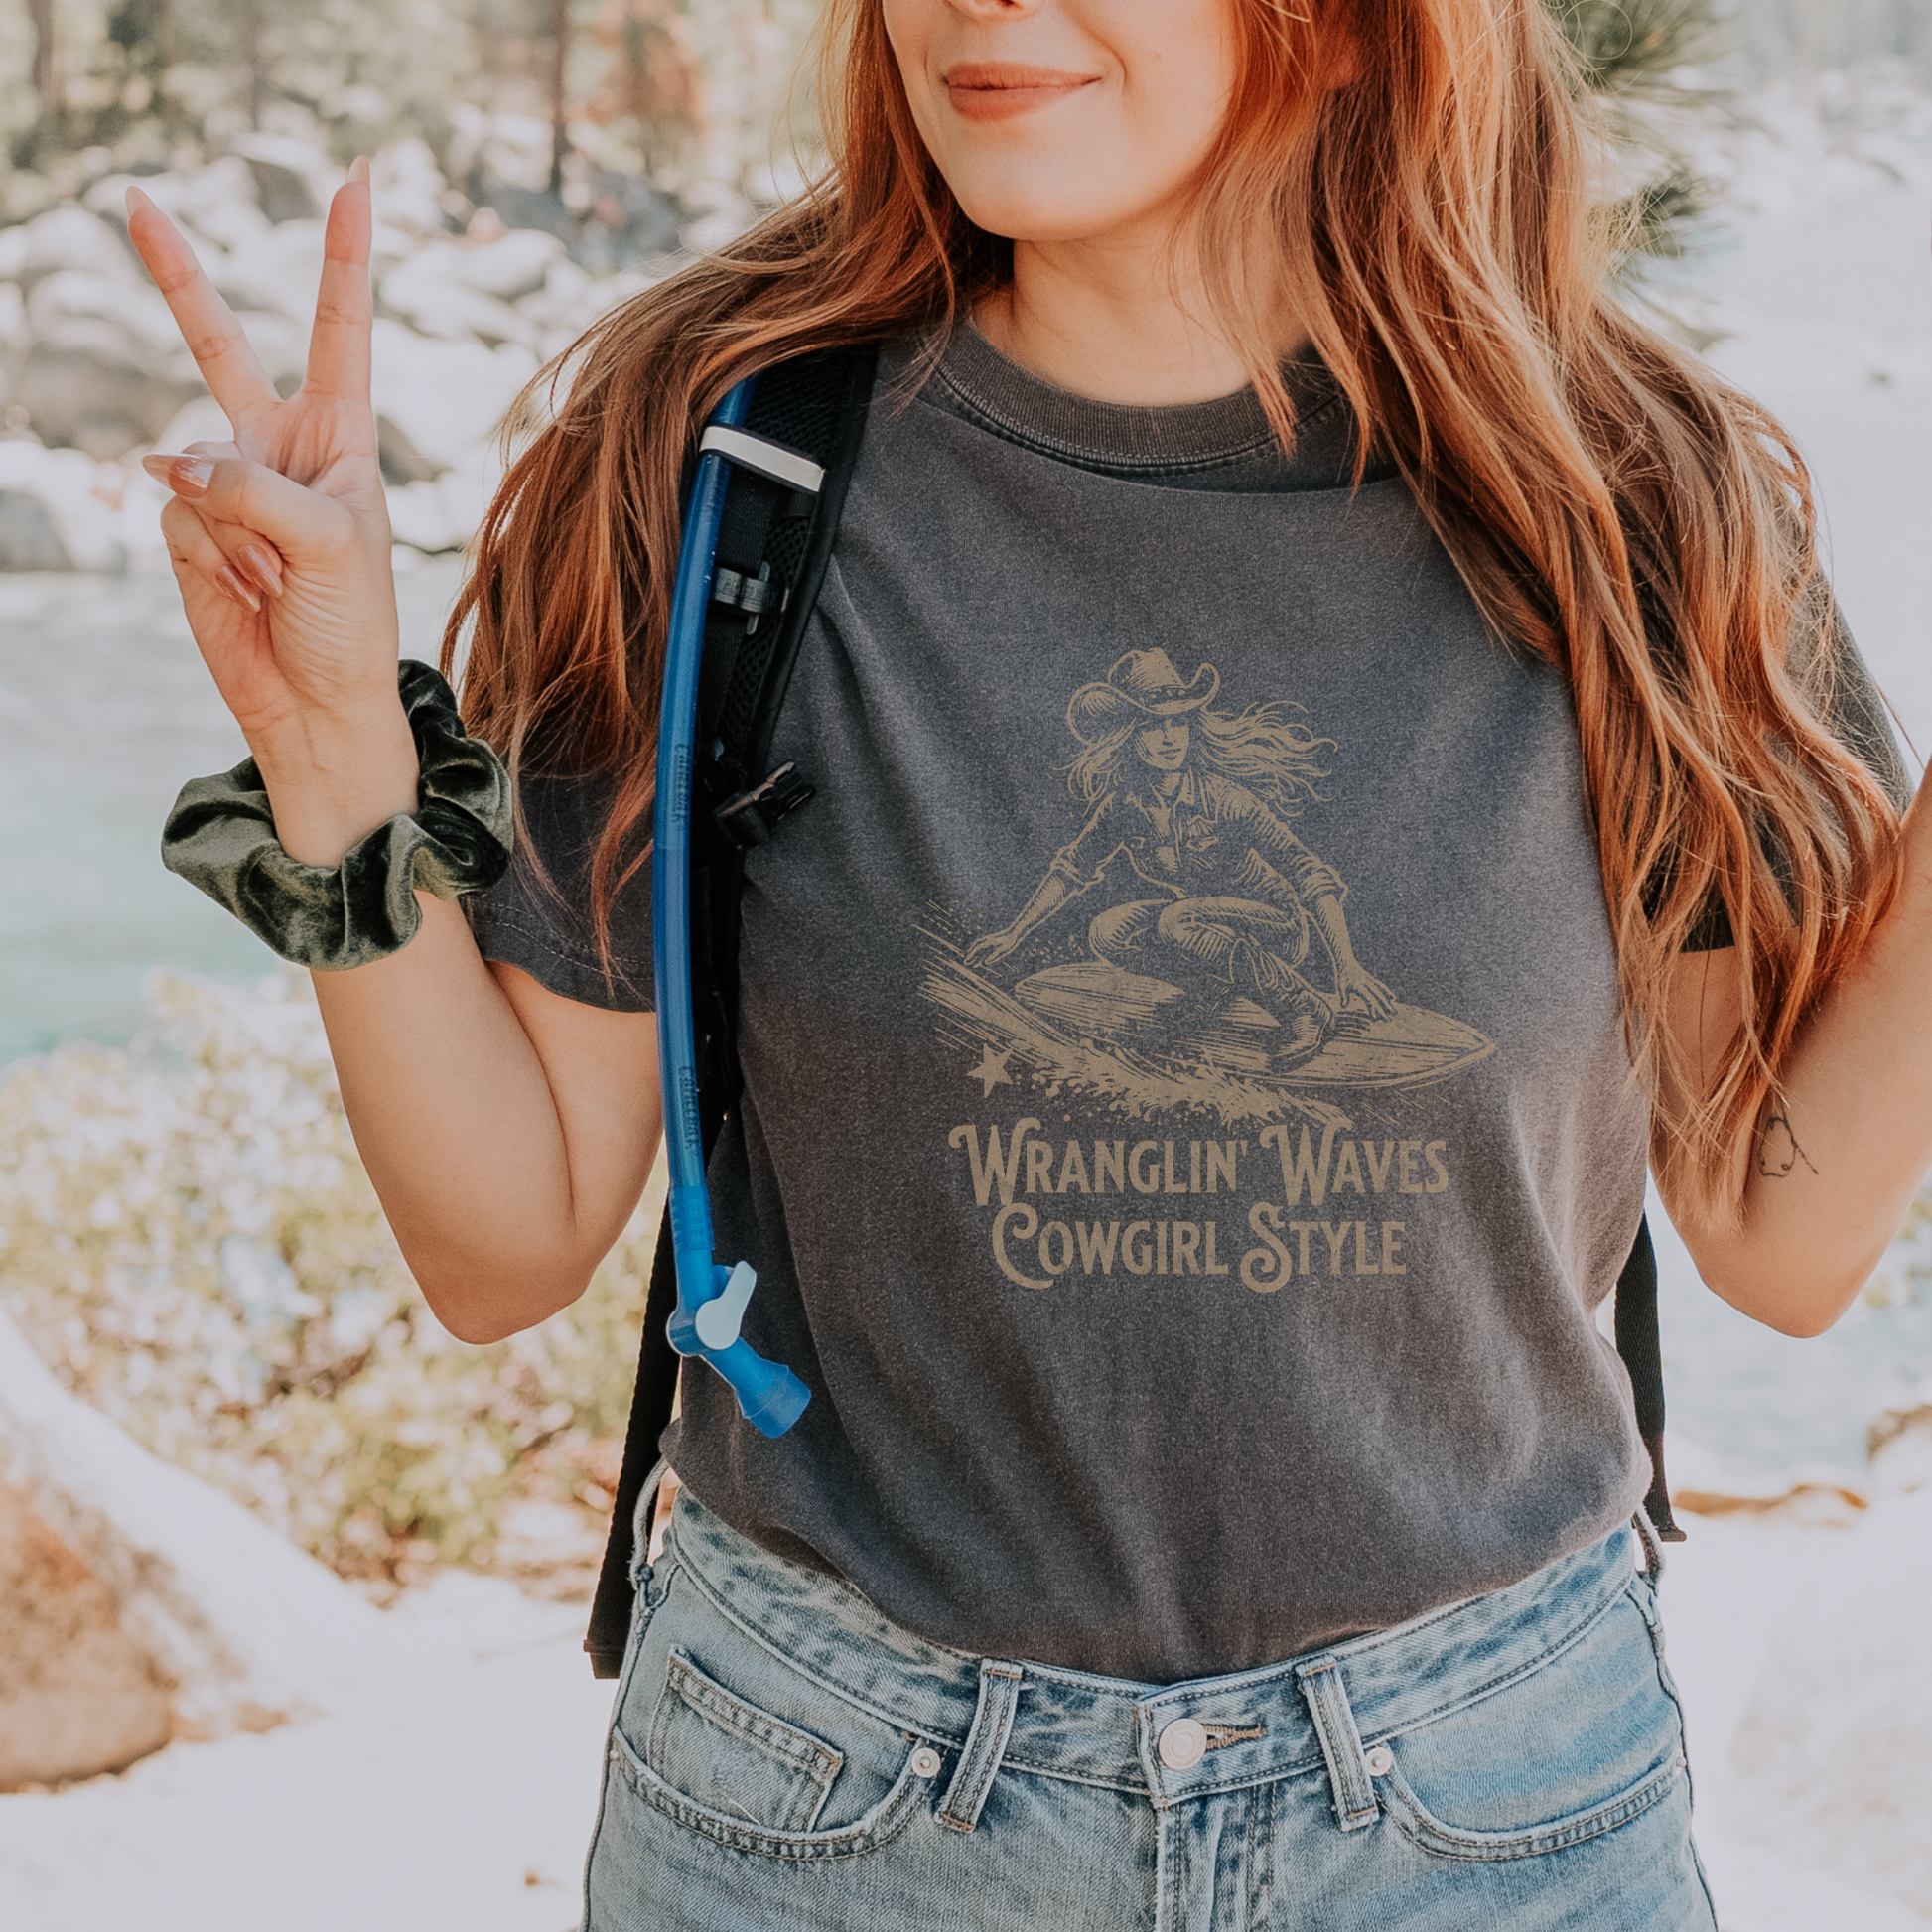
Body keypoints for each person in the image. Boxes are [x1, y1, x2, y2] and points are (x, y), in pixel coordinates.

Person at [126, 0, 1926, 1925]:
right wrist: (335, 768)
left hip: (1487, 1819)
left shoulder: (1630, 504)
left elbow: (1774, 1228)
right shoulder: (719, 465)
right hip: (832, 1817)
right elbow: (504, 1237)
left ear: (1337, 26)